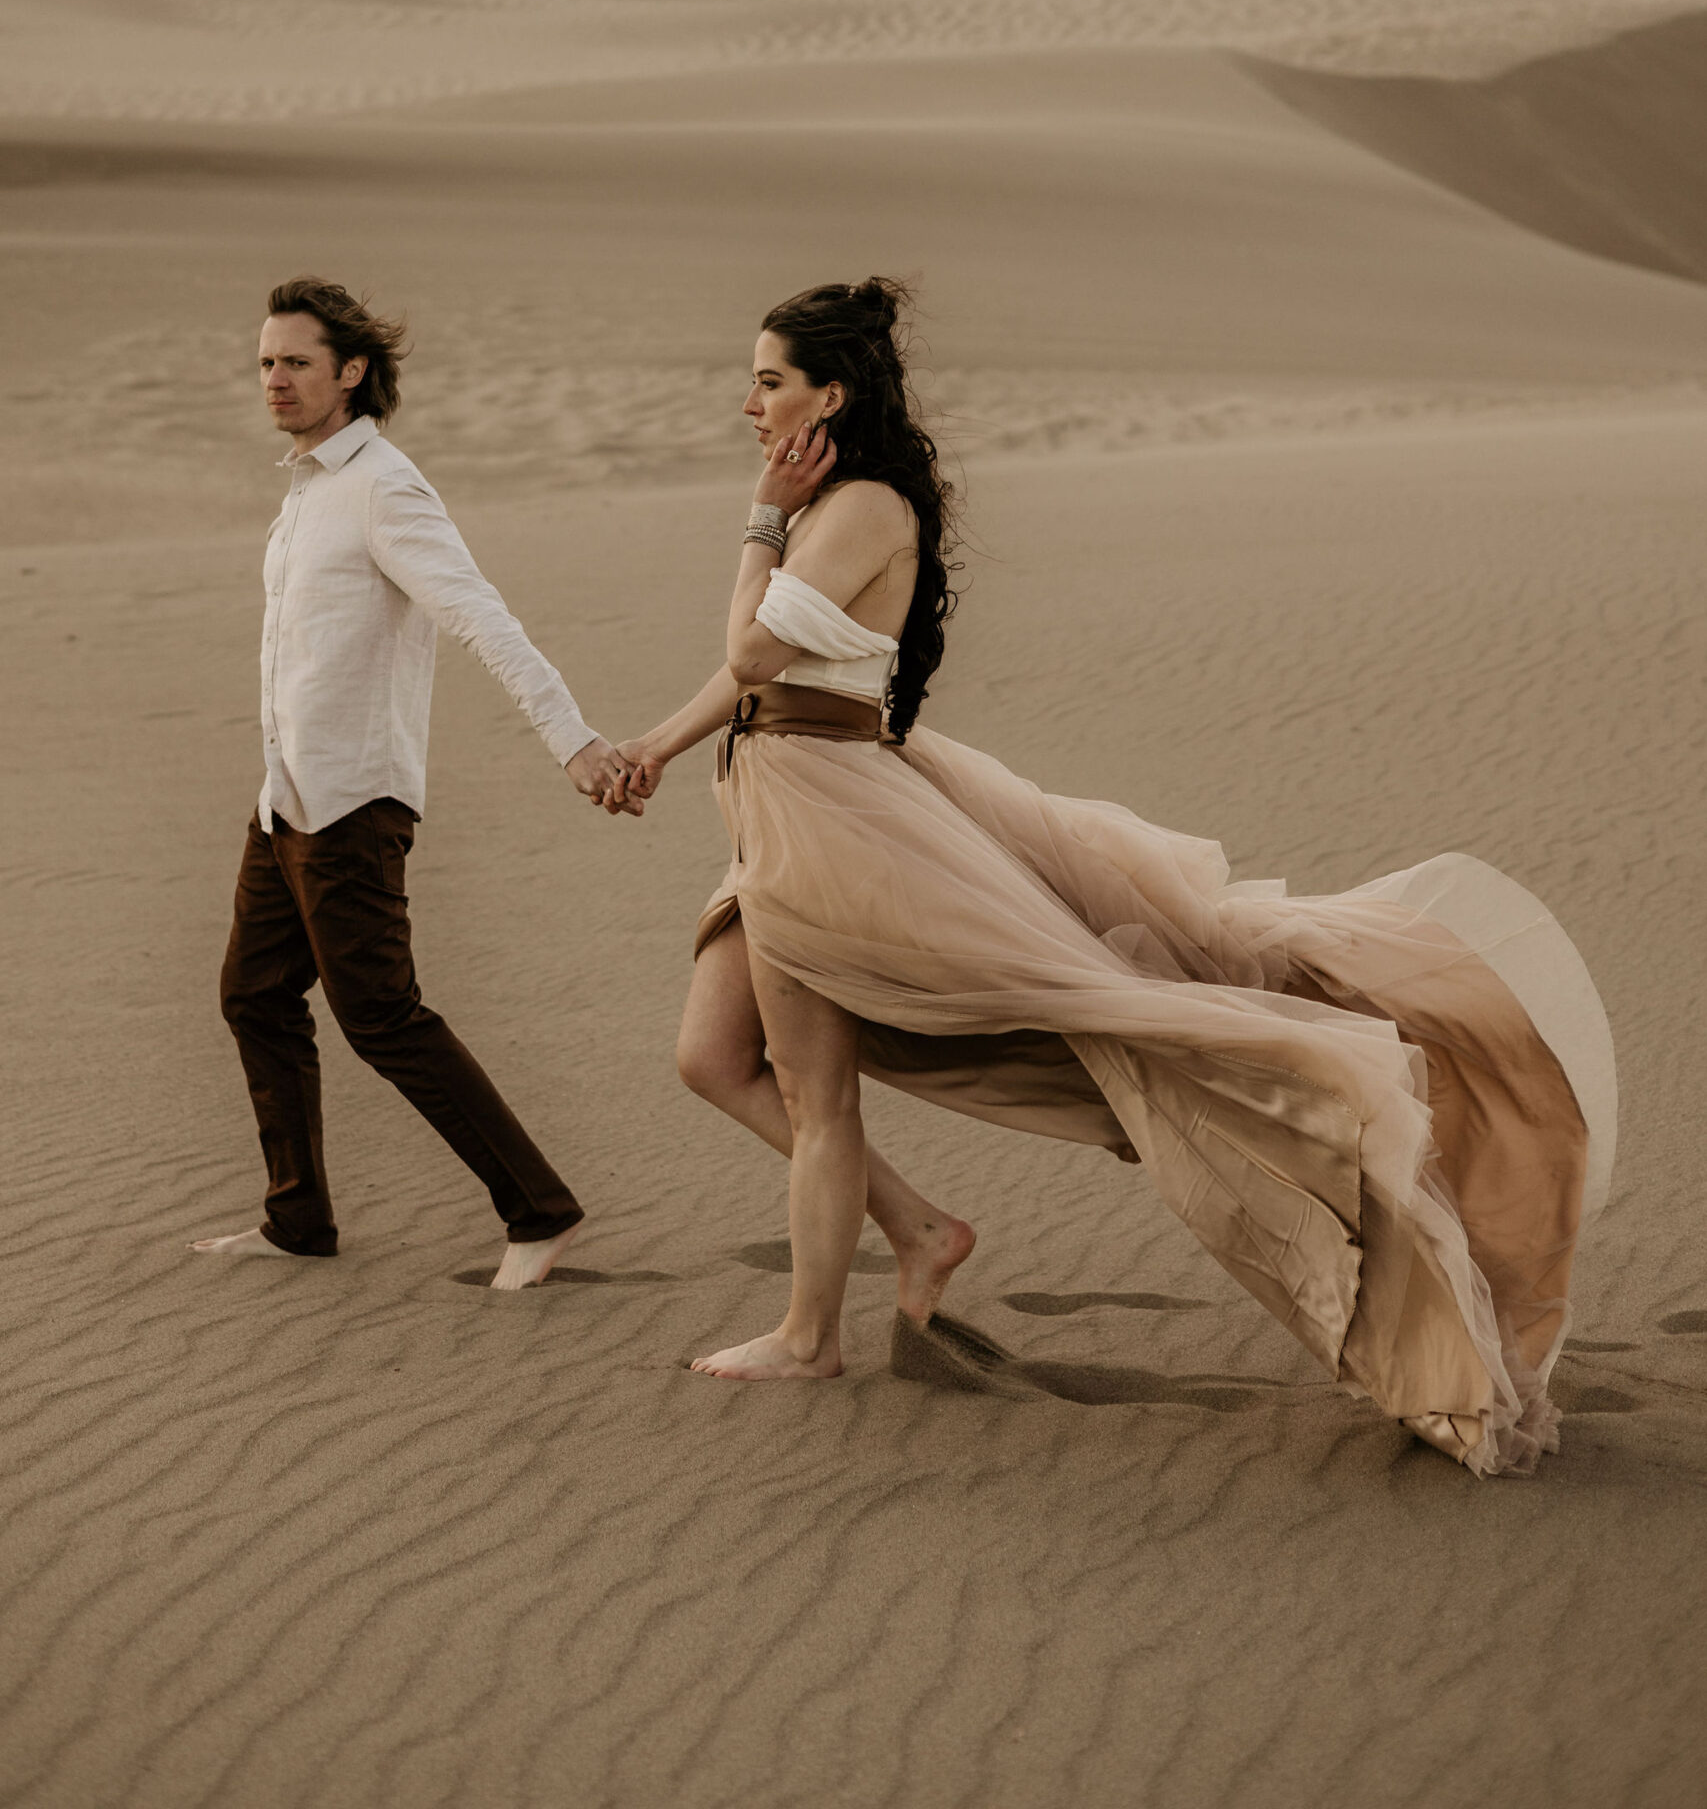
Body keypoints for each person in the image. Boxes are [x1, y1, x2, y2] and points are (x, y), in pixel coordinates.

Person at [613, 277, 1617, 1476]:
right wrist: (656, 751)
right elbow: (761, 681)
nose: (749, 402)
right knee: (712, 1058)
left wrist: (759, 518)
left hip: (828, 821)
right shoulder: (832, 500)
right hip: (786, 798)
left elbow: (751, 645)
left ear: (830, 392)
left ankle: (809, 1334)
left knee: (822, 1095)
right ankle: (921, 1227)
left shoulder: (858, 507)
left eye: (770, 380)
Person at [193, 276, 635, 1289]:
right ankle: (296, 1218)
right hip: (286, 800)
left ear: (351, 372)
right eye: (266, 361)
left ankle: (541, 1208)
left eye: (297, 361)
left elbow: (482, 616)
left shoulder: (384, 486)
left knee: (383, 1017)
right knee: (253, 995)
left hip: (352, 804)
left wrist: (572, 739)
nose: (276, 379)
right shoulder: (307, 491)